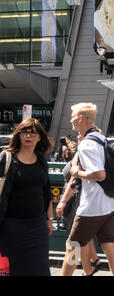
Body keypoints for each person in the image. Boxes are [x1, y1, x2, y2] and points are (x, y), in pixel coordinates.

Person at [67, 103, 114, 276]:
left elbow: (99, 174)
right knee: (108, 245)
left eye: (73, 116)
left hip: (91, 207)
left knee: (72, 247)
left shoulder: (87, 144)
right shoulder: (101, 139)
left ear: (81, 119)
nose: (71, 119)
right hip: (109, 203)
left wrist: (77, 172)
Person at [0, 118, 53, 276]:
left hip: (37, 226)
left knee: (41, 269)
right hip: (11, 227)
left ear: (39, 137)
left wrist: (49, 219)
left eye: (33, 133)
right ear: (19, 135)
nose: (28, 136)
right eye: (25, 132)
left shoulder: (41, 160)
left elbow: (46, 192)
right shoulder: (6, 158)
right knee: (15, 270)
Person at [56, 132, 102, 276]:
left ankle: (89, 268)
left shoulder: (85, 152)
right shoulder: (84, 152)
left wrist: (63, 201)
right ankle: (91, 266)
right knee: (82, 240)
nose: (77, 137)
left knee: (74, 243)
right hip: (81, 202)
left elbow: (74, 181)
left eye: (80, 134)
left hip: (79, 201)